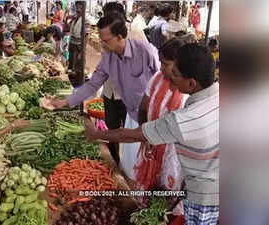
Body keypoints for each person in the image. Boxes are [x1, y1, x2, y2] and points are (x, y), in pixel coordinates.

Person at [84, 43, 219, 225]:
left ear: (192, 83)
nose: (171, 79)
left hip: (203, 195)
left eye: (176, 76)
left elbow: (130, 135)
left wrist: (96, 134)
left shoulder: (187, 119)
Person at [44, 13, 160, 154]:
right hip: (134, 115)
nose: (101, 44)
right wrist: (64, 102)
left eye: (105, 40)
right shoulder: (108, 58)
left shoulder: (145, 51)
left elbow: (162, 80)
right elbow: (92, 85)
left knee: (154, 156)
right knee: (138, 157)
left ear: (119, 37)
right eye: (101, 39)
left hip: (154, 115)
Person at [130, 38, 190, 208]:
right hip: (149, 145)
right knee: (145, 194)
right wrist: (146, 135)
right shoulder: (157, 78)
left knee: (165, 199)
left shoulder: (187, 91)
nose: (162, 68)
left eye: (166, 64)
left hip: (173, 155)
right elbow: (143, 107)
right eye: (161, 63)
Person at [99, 2, 148, 165]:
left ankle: (131, 167)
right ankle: (115, 161)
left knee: (130, 132)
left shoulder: (135, 32)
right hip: (109, 91)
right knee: (111, 127)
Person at [66, 1, 91, 85]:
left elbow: (86, 36)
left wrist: (82, 51)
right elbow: (68, 28)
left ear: (84, 9)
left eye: (80, 7)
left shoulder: (86, 21)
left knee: (79, 65)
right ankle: (73, 80)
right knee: (72, 62)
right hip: (72, 44)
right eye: (77, 7)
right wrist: (67, 19)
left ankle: (79, 82)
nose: (78, 9)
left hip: (79, 46)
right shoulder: (75, 18)